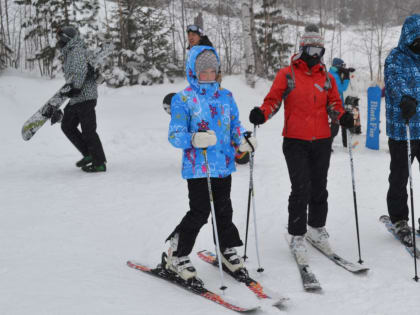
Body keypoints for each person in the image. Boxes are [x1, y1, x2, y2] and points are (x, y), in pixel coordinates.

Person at [249, 24, 354, 261]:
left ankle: (316, 228)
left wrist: (342, 115)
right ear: (303, 49)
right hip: (295, 140)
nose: (315, 55)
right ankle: (297, 234)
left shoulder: (327, 78)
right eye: (312, 50)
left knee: (319, 186)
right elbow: (273, 100)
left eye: (320, 51)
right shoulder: (287, 74)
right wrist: (262, 114)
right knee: (301, 187)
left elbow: (334, 104)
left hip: (322, 140)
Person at [165, 45, 257, 281]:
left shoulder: (226, 96)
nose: (208, 75)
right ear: (193, 71)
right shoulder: (183, 98)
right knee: (200, 211)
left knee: (224, 209)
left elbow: (234, 125)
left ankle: (226, 249)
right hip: (198, 167)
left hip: (223, 165)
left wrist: (243, 139)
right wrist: (194, 139)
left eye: (212, 70)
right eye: (202, 71)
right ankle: (176, 253)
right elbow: (175, 135)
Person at [45, 26, 107, 172]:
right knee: (67, 125)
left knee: (88, 131)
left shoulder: (76, 50)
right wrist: (73, 90)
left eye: (61, 38)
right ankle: (89, 154)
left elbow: (80, 70)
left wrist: (77, 87)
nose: (59, 41)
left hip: (85, 96)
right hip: (76, 98)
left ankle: (99, 163)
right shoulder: (70, 52)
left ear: (67, 38)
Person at [384, 14, 420, 246]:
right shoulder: (395, 58)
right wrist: (405, 98)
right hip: (403, 129)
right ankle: (399, 219)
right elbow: (394, 82)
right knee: (400, 177)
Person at [329, 58, 355, 148]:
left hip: (339, 103)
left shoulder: (335, 73)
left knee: (341, 124)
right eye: (342, 66)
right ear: (338, 66)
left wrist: (347, 71)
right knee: (334, 127)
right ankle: (327, 145)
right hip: (334, 105)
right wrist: (347, 77)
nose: (344, 68)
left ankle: (345, 144)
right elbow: (341, 88)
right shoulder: (333, 75)